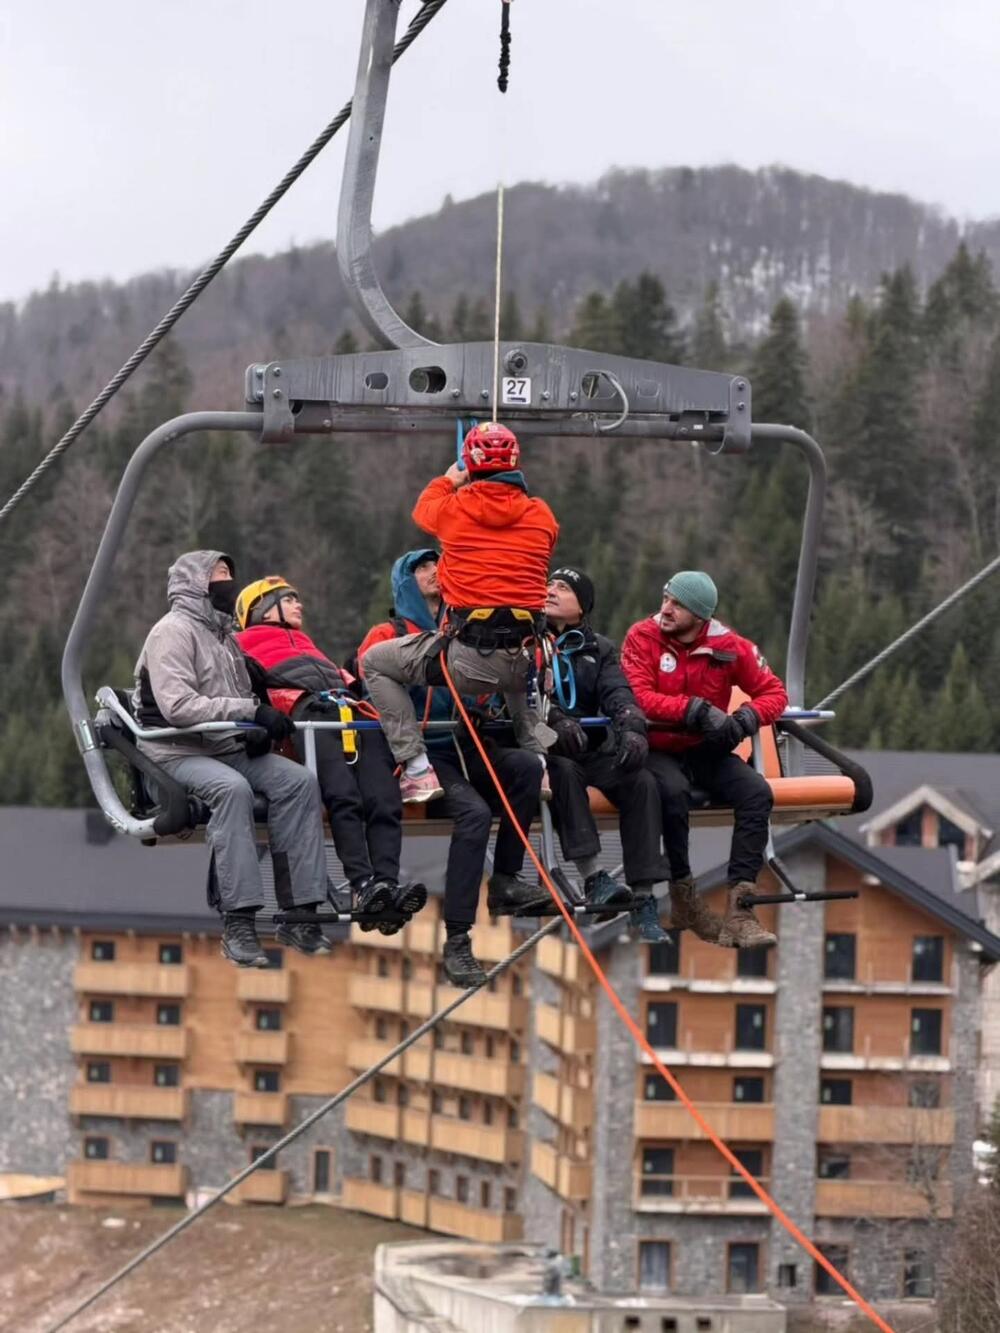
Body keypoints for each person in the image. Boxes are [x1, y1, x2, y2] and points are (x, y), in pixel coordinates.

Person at [359, 548, 547, 988]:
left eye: (436, 566)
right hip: (428, 752)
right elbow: (370, 684)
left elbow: (497, 686)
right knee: (476, 814)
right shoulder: (388, 634)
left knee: (523, 768)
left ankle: (506, 879)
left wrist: (485, 704)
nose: (432, 572)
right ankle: (458, 938)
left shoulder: (465, 634)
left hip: (465, 742)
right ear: (404, 581)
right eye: (420, 568)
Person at [132, 551, 331, 967]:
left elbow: (241, 696)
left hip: (222, 746)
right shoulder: (172, 632)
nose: (229, 582)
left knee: (298, 782)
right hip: (174, 750)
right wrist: (248, 714)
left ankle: (300, 911)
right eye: (220, 575)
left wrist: (255, 728)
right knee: (232, 790)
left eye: (229, 574)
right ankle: (238, 921)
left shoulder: (224, 638)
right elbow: (179, 706)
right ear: (196, 582)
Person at [361, 422, 558, 805]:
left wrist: (451, 479)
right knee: (517, 664)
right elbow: (534, 536)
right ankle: (539, 759)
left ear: (471, 461)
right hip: (522, 661)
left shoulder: (455, 509)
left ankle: (417, 768)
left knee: (376, 663)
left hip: (467, 660)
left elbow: (423, 512)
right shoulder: (541, 515)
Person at [234, 576, 425, 935]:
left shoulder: (306, 644)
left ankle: (386, 883)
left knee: (384, 798)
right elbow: (245, 691)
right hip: (307, 715)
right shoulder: (241, 648)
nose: (298, 605)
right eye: (288, 599)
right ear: (262, 608)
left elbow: (345, 678)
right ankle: (363, 884)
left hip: (349, 712)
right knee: (343, 795)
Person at [621, 571, 788, 949]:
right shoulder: (642, 637)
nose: (665, 609)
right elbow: (637, 696)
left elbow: (774, 693)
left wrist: (746, 717)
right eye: (665, 598)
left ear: (700, 615)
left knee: (756, 793)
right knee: (674, 793)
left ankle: (741, 909)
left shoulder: (730, 647)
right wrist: (694, 710)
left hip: (706, 750)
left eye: (677, 604)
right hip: (658, 746)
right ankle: (684, 895)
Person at [543, 567, 675, 940]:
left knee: (641, 781)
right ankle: (593, 878)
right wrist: (555, 720)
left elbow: (618, 692)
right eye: (549, 584)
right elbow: (524, 693)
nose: (551, 591)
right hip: (548, 748)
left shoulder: (597, 648)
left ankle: (644, 900)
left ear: (582, 607)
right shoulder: (528, 641)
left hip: (592, 746)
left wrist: (632, 727)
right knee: (563, 773)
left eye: (563, 588)